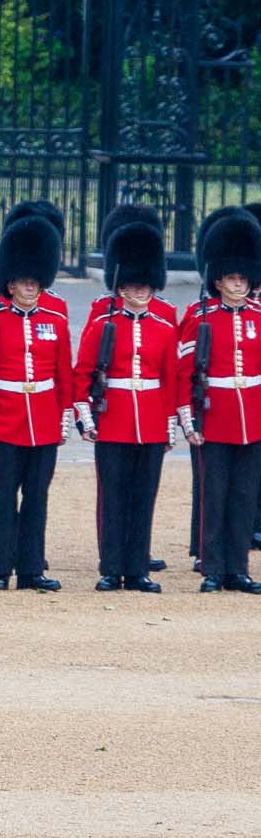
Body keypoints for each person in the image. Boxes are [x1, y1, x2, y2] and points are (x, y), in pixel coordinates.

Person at [0, 217, 73, 592]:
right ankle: (0, 567)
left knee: (37, 498)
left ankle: (31, 569)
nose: (30, 288)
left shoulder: (55, 321)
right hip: (4, 419)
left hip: (43, 419)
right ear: (10, 284)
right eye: (23, 282)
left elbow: (64, 374)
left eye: (35, 282)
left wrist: (65, 416)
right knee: (2, 497)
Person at [74, 220, 176, 594]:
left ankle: (136, 571)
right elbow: (82, 373)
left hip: (149, 421)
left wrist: (169, 426)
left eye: (145, 285)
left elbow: (170, 380)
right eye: (132, 285)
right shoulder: (102, 323)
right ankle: (111, 567)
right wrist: (87, 419)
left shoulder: (164, 328)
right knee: (113, 495)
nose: (139, 291)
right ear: (119, 286)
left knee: (143, 498)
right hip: (113, 418)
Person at [177, 210, 261, 593]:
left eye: (244, 278)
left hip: (253, 417)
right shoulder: (200, 316)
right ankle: (212, 566)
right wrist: (187, 420)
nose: (239, 284)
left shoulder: (259, 316)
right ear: (218, 280)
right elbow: (184, 372)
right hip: (215, 415)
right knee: (214, 494)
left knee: (245, 496)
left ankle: (238, 568)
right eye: (232, 278)